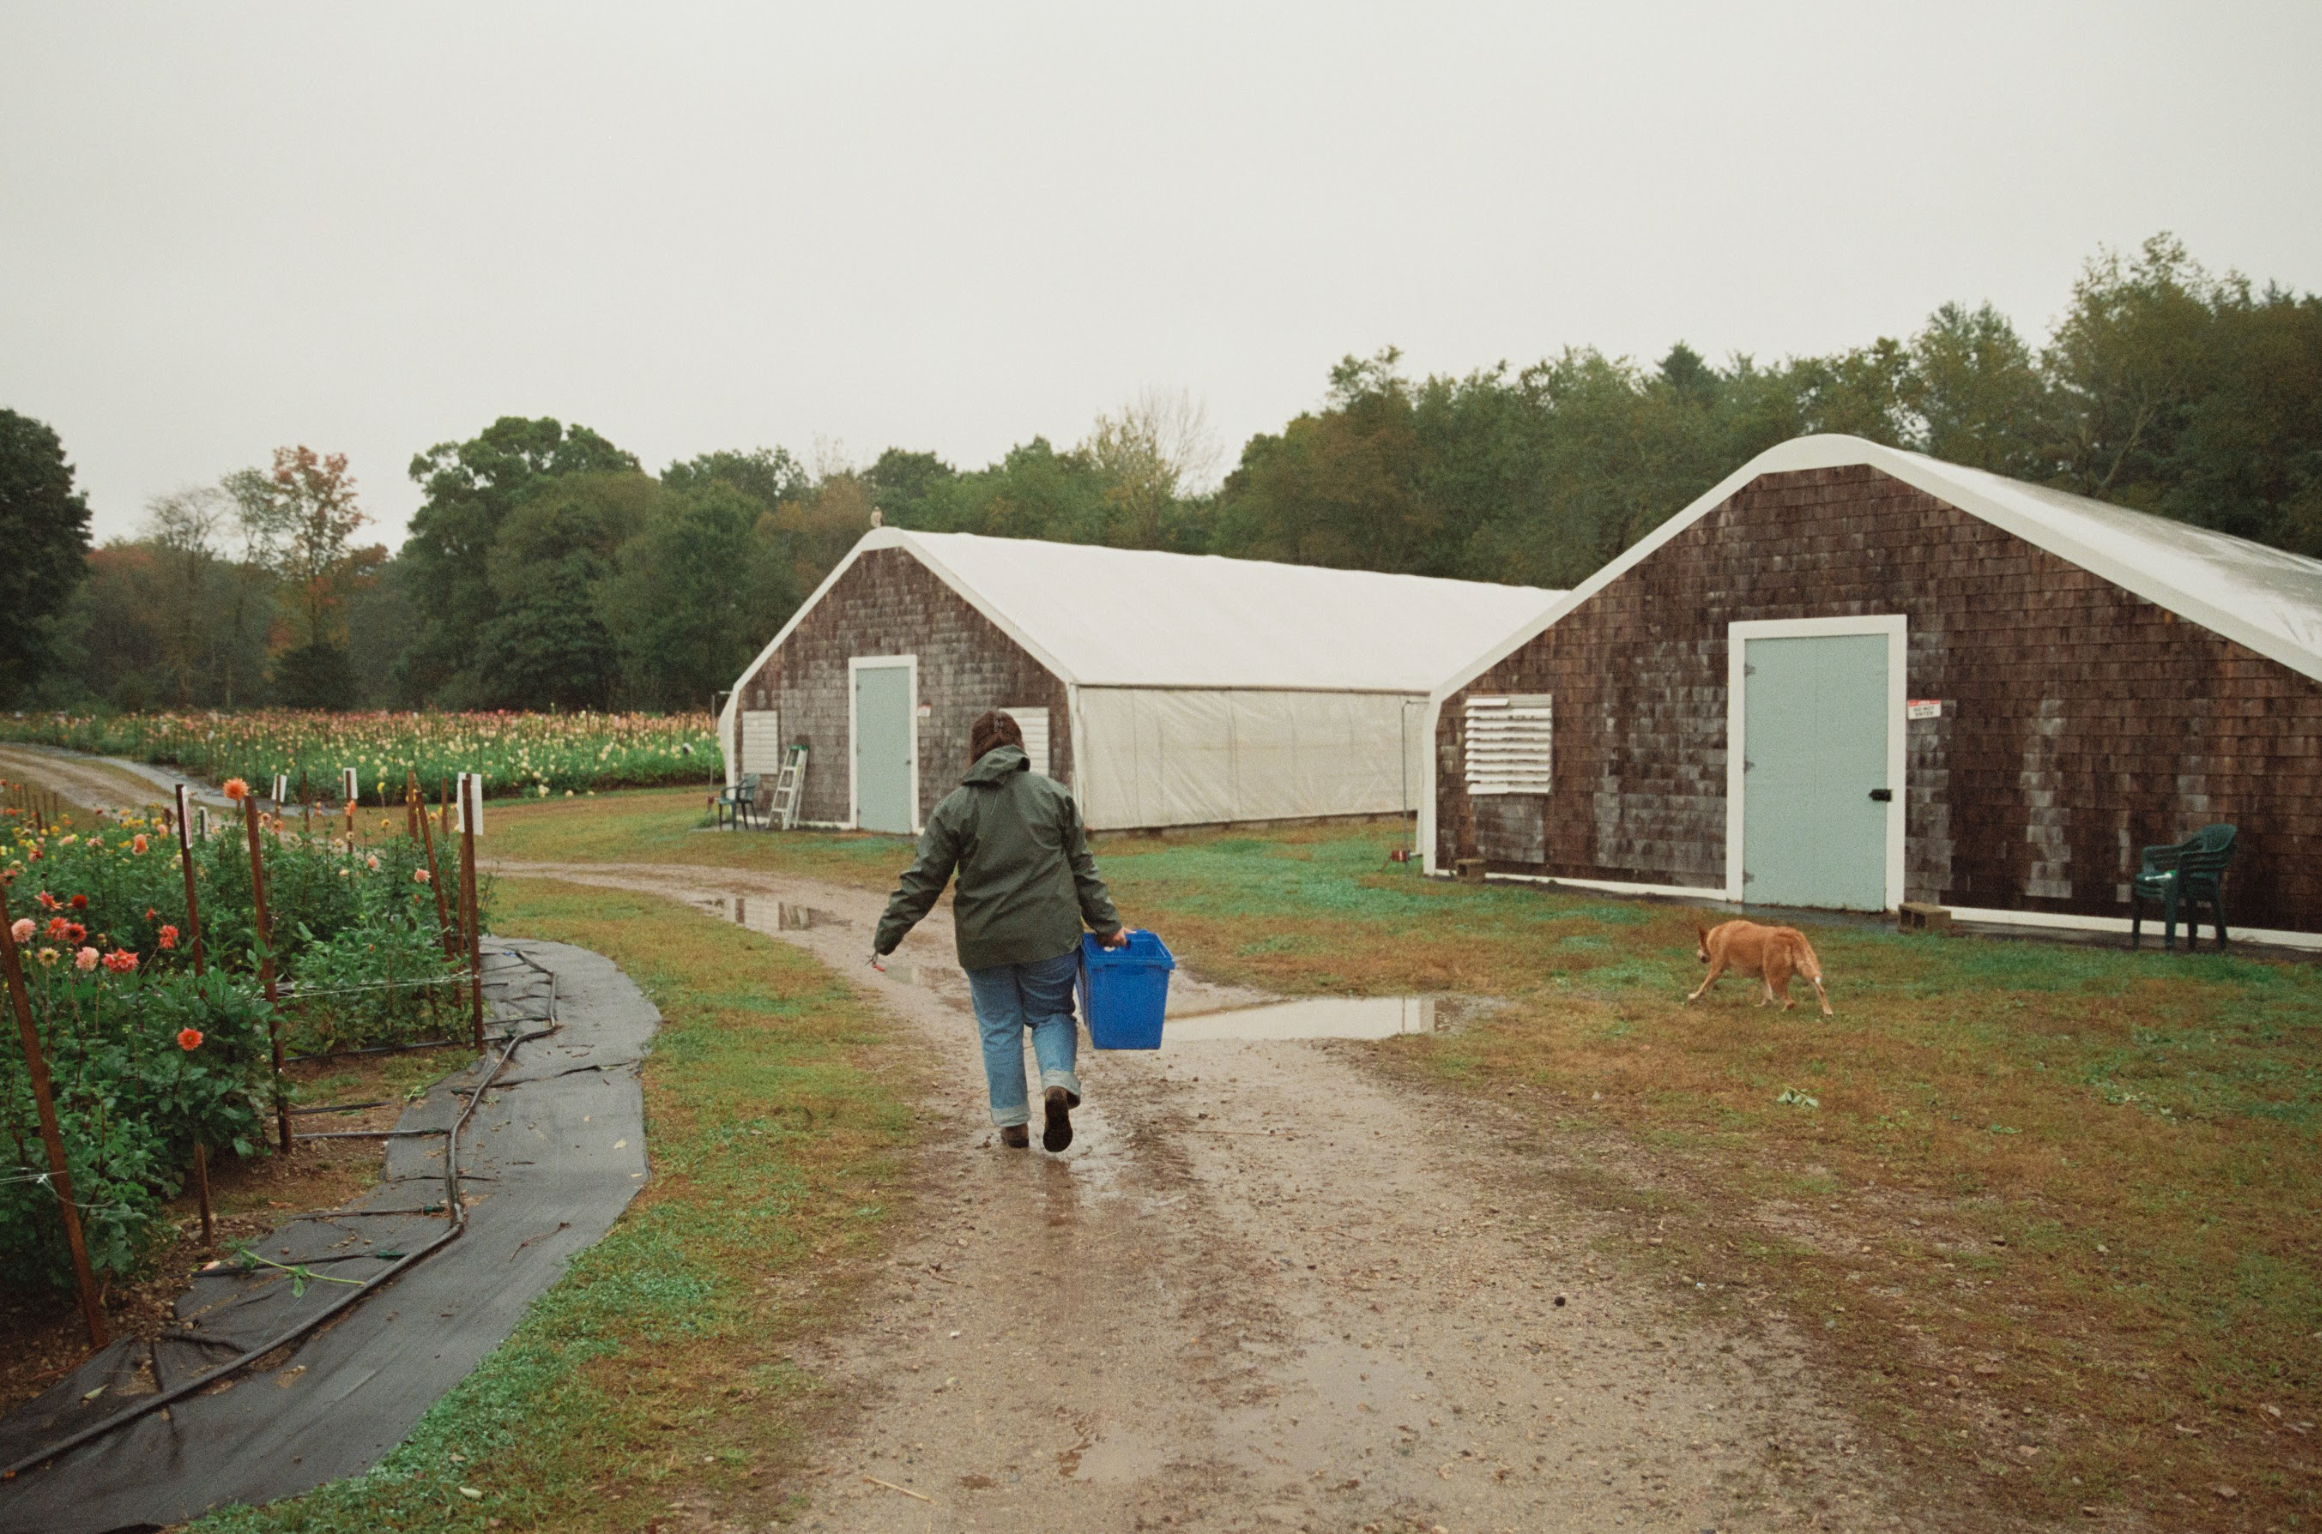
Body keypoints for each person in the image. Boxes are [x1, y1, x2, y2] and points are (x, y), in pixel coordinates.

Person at [873, 709, 1128, 1152]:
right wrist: (1107, 925)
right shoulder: (1054, 796)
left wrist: (886, 937)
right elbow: (1083, 868)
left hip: (984, 943)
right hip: (1049, 939)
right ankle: (1055, 1083)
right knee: (1050, 1014)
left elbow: (923, 879)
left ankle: (1013, 1125)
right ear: (1019, 748)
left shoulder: (955, 807)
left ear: (975, 753)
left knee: (999, 1026)